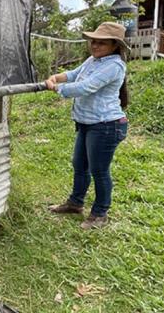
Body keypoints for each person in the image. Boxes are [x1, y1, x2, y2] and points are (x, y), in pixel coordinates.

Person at [44, 22, 129, 230]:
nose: (95, 45)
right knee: (80, 164)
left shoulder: (114, 65)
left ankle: (100, 213)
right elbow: (74, 74)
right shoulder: (93, 60)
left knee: (99, 170)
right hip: (87, 123)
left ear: (115, 45)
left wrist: (57, 88)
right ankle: (75, 203)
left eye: (102, 42)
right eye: (93, 41)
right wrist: (56, 76)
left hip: (106, 125)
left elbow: (85, 87)